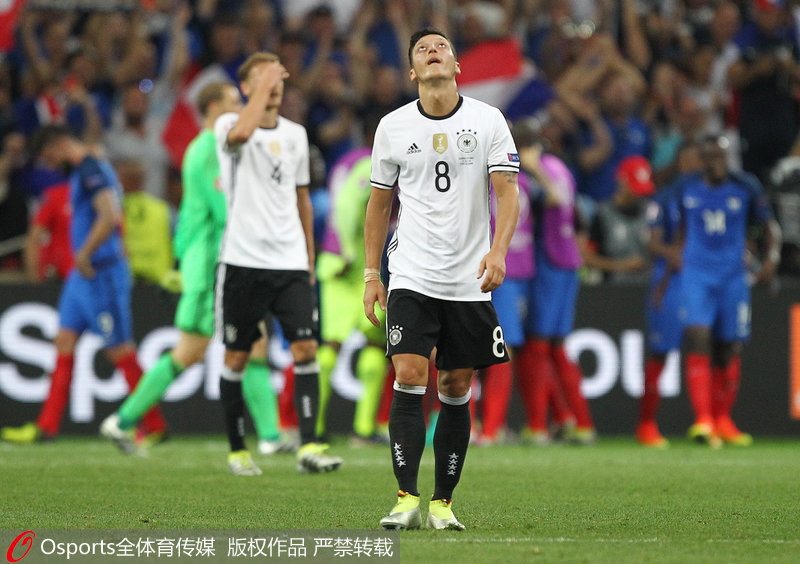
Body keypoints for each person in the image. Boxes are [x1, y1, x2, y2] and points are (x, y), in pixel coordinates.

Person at [364, 28, 520, 530]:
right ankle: (406, 497)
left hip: (468, 276)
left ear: (457, 65)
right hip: (411, 269)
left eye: (441, 47)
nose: (433, 52)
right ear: (412, 72)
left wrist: (498, 252)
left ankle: (442, 502)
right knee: (409, 372)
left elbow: (508, 192)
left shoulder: (488, 120)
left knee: (456, 383)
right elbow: (378, 205)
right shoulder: (391, 126)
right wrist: (372, 274)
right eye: (422, 50)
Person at [100, 82, 285, 458]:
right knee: (209, 348)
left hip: (219, 262)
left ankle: (270, 435)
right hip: (214, 266)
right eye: (234, 102)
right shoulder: (206, 150)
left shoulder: (214, 148)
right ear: (214, 106)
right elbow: (225, 208)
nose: (239, 108)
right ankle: (270, 436)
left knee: (234, 344)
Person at [213, 52, 342, 475]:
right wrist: (263, 85)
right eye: (265, 80)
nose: (276, 86)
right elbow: (243, 133)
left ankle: (308, 446)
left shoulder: (296, 135)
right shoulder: (228, 126)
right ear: (247, 87)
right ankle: (237, 450)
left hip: (288, 261)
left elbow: (301, 197)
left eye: (279, 80)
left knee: (306, 348)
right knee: (237, 358)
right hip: (243, 261)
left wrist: (308, 254)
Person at [1, 125, 167, 444]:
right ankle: (46, 427)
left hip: (100, 271)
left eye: (49, 156)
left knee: (119, 349)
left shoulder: (91, 169)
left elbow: (109, 215)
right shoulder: (86, 167)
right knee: (64, 340)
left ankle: (155, 425)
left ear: (59, 145)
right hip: (83, 278)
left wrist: (85, 253)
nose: (50, 164)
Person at [677, 135, 781, 446]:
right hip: (697, 273)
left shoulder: (746, 186)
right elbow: (673, 223)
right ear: (703, 160)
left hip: (733, 276)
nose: (717, 162)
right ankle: (703, 420)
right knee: (698, 336)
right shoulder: (686, 187)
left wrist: (771, 260)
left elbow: (769, 226)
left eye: (721, 156)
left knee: (730, 346)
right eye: (710, 157)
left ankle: (723, 419)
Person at [514, 122, 595, 446]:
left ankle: (538, 426)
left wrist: (533, 168)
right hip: (565, 262)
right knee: (556, 347)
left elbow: (558, 199)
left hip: (550, 264)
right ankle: (576, 421)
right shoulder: (560, 166)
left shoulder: (543, 169)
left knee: (537, 346)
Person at [315, 132, 390, 447]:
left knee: (334, 345)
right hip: (353, 264)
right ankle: (361, 428)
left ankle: (314, 427)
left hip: (335, 263)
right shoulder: (373, 163)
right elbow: (348, 205)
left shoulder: (347, 160)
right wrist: (348, 249)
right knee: (370, 345)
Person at [580, 156, 655, 283]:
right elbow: (587, 257)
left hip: (648, 287)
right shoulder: (604, 214)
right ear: (622, 182)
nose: (639, 195)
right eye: (635, 188)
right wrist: (620, 266)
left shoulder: (652, 211)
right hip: (613, 290)